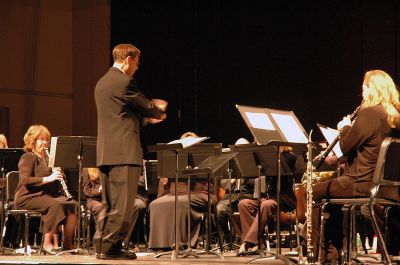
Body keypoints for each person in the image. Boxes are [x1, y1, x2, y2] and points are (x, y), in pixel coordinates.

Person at [307, 70, 400, 263]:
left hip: (362, 182)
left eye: (364, 88)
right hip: (390, 187)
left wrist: (345, 128)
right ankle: (333, 254)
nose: (362, 93)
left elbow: (345, 146)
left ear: (371, 89)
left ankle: (319, 255)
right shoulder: (395, 117)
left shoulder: (370, 113)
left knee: (313, 192)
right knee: (330, 193)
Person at [94, 43, 167, 260]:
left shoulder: (102, 83)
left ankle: (101, 245)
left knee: (109, 204)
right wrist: (158, 111)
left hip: (106, 152)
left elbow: (121, 116)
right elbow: (146, 105)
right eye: (136, 63)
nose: (137, 67)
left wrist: (145, 119)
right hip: (124, 153)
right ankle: (111, 247)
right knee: (123, 205)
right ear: (128, 59)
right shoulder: (125, 82)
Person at [14, 125, 78, 254]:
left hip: (46, 196)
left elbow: (59, 180)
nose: (44, 143)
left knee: (73, 205)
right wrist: (49, 178)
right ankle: (47, 243)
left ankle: (67, 243)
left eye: (46, 140)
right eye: (40, 139)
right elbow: (25, 180)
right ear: (33, 141)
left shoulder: (51, 159)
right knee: (55, 205)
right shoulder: (28, 157)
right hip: (27, 197)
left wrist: (59, 173)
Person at [148, 131, 216, 251]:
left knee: (181, 202)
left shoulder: (204, 158)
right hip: (174, 194)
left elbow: (211, 183)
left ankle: (181, 243)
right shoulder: (174, 159)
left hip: (200, 194)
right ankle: (159, 245)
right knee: (155, 204)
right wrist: (165, 175)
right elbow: (164, 186)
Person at [237, 146, 298, 255]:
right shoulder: (267, 158)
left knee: (265, 205)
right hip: (269, 197)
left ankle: (247, 242)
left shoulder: (290, 156)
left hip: (284, 198)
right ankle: (257, 243)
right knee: (243, 204)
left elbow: (277, 168)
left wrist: (267, 157)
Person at [82, 167, 149, 251]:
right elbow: (87, 190)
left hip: (117, 196)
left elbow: (141, 181)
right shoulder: (88, 168)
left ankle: (125, 242)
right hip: (96, 199)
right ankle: (105, 243)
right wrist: (99, 190)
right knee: (102, 208)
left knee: (133, 206)